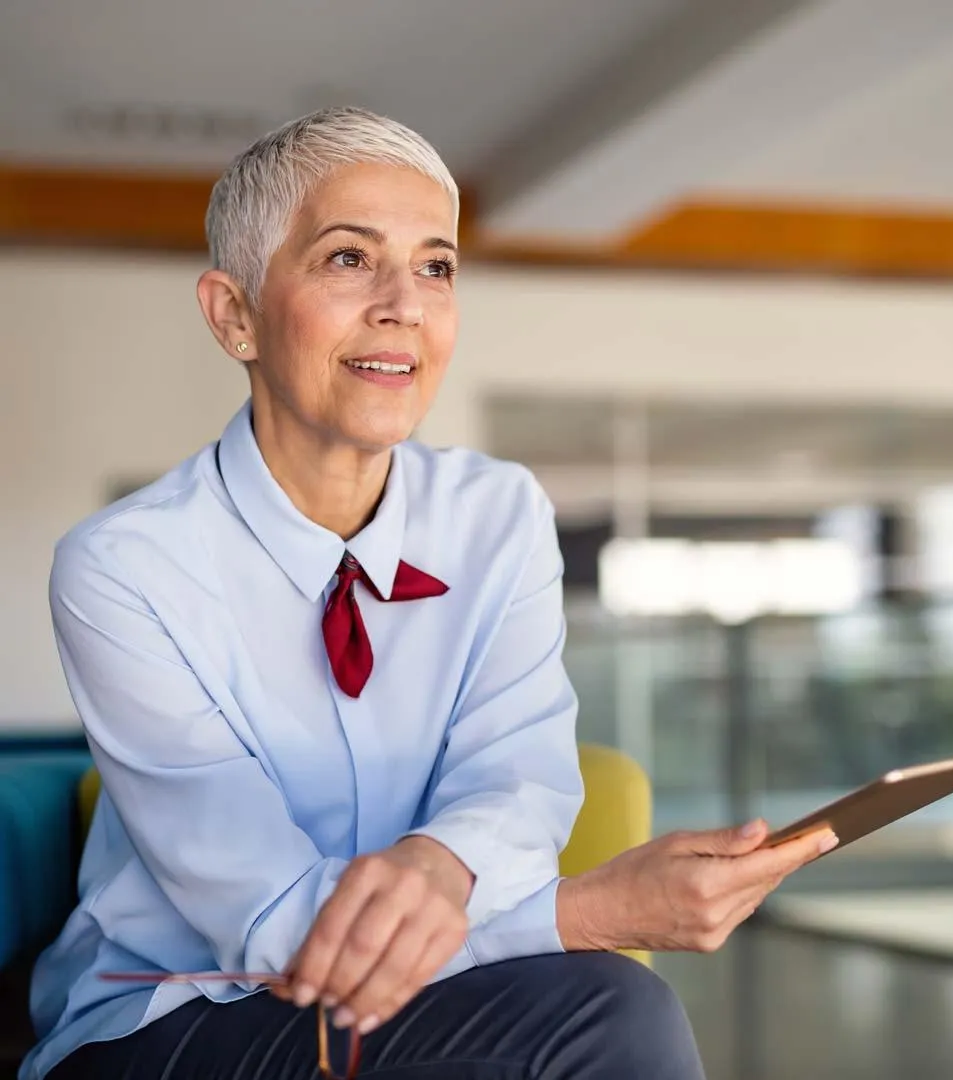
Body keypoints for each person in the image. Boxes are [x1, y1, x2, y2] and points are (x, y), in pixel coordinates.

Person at [21, 107, 836, 1080]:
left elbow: (518, 780)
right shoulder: (124, 567)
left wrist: (442, 865)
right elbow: (272, 924)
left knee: (620, 1006)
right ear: (233, 313)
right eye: (348, 259)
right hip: (174, 1015)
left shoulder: (498, 515)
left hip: (427, 1002)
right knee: (612, 1018)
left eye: (437, 266)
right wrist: (591, 911)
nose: (404, 302)